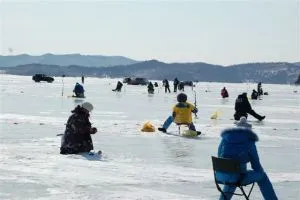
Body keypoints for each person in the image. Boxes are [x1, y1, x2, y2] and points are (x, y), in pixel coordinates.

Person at [216, 117, 278, 200]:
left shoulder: (225, 139)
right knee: (262, 176)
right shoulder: (249, 142)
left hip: (220, 175)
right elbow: (256, 165)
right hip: (237, 177)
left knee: (232, 176)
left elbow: (220, 155)